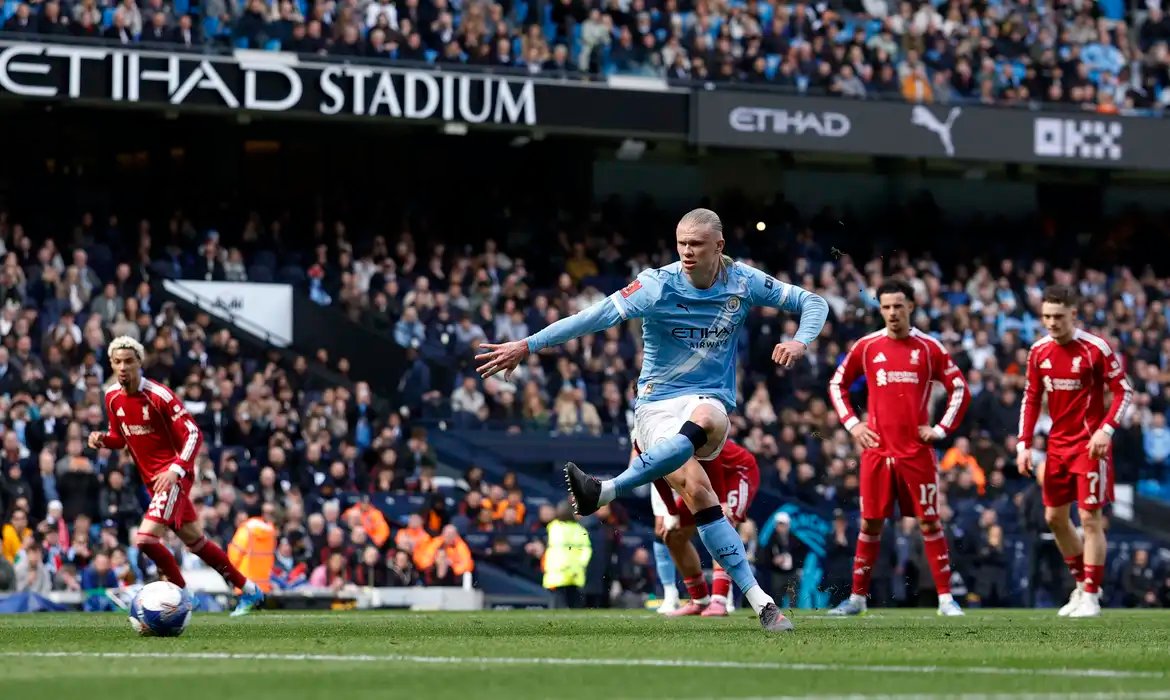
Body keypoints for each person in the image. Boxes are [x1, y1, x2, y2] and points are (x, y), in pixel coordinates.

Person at [476, 208, 828, 632]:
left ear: (719, 246)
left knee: (707, 418)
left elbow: (813, 301)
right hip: (656, 405)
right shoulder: (656, 284)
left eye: (696, 244)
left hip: (710, 399)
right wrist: (528, 345)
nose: (686, 252)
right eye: (681, 243)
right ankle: (763, 604)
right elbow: (594, 316)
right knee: (699, 493)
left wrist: (801, 340)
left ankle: (608, 490)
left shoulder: (744, 281)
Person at [87, 336, 266, 617]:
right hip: (153, 482)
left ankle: (183, 594)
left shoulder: (159, 395)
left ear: (139, 363)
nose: (123, 367)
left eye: (129, 361)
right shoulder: (111, 397)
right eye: (117, 362)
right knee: (197, 542)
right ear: (111, 363)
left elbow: (194, 433)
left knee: (145, 539)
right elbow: (119, 438)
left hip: (174, 476)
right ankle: (249, 590)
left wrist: (176, 469)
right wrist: (102, 439)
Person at [827, 278, 971, 617]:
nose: (892, 313)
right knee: (870, 523)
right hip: (876, 452)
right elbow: (837, 384)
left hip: (916, 451)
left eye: (898, 306)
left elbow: (960, 389)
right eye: (886, 307)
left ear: (911, 307)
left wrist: (940, 430)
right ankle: (858, 600)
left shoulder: (929, 347)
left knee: (930, 522)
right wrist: (854, 425)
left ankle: (947, 600)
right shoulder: (867, 346)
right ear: (880, 309)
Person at [1016, 285, 1133, 618]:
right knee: (1054, 518)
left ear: (1073, 315)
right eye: (1046, 317)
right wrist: (1023, 444)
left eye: (1058, 316)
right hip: (1057, 446)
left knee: (1089, 519)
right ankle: (1082, 584)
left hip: (1089, 446)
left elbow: (1123, 391)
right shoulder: (1038, 351)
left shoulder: (1095, 349)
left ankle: (1092, 597)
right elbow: (1031, 398)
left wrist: (1105, 430)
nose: (1051, 323)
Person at [650, 439, 760, 617]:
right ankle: (700, 600)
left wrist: (722, 500)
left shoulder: (673, 429)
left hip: (736, 471)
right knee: (673, 535)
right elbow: (655, 475)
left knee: (722, 527)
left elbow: (710, 458)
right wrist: (672, 511)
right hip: (704, 477)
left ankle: (720, 600)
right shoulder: (645, 439)